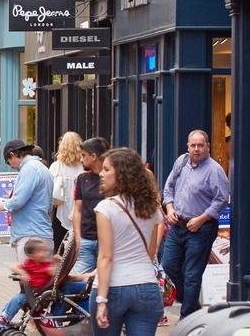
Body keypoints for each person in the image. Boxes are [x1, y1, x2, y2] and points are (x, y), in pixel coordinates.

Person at [92, 148, 165, 335]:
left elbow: (106, 257)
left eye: (107, 169)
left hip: (113, 288)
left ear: (122, 174)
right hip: (146, 286)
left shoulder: (106, 208)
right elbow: (150, 254)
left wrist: (101, 300)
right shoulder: (151, 208)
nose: (101, 173)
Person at [161, 129, 230, 319]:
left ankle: (187, 317)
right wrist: (169, 208)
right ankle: (192, 304)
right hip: (178, 226)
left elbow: (221, 199)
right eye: (193, 145)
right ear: (188, 147)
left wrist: (201, 219)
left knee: (192, 274)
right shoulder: (181, 162)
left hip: (201, 229)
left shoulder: (214, 170)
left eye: (201, 145)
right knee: (168, 266)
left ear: (208, 147)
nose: (196, 149)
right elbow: (168, 188)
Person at [0, 138, 54, 262]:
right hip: (41, 231)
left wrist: (4, 205)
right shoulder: (43, 168)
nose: (11, 167)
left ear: (13, 155)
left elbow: (18, 200)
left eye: (8, 162)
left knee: (30, 279)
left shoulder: (29, 169)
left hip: (30, 234)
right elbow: (49, 206)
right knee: (42, 279)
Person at [0, 238, 56, 335]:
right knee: (12, 302)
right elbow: (14, 267)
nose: (45, 253)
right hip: (30, 293)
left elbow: (54, 273)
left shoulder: (46, 265)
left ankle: (0, 323)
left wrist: (56, 263)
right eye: (41, 251)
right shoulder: (29, 263)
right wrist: (23, 272)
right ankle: (2, 320)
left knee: (17, 299)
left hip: (38, 294)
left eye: (45, 251)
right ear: (32, 256)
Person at [69, 136, 109, 280]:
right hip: (86, 239)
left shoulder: (113, 178)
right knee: (80, 281)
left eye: (83, 155)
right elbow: (78, 210)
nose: (81, 159)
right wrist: (78, 237)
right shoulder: (82, 178)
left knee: (106, 279)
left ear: (93, 156)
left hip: (107, 240)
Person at [49, 132, 84, 249]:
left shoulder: (56, 166)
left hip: (61, 210)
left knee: (59, 248)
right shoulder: (83, 167)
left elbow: (49, 190)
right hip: (79, 211)